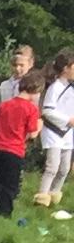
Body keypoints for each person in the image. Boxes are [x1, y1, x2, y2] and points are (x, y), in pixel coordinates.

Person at [0, 72, 43, 218]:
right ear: (35, 90)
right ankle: (5, 212)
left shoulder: (5, 105)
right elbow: (32, 134)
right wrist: (39, 125)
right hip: (14, 150)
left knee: (0, 178)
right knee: (11, 184)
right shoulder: (31, 109)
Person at [37, 51, 74, 213]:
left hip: (68, 132)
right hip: (53, 131)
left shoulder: (71, 87)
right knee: (52, 166)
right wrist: (67, 120)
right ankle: (42, 196)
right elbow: (47, 110)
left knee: (64, 168)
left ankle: (54, 194)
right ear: (66, 68)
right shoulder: (55, 87)